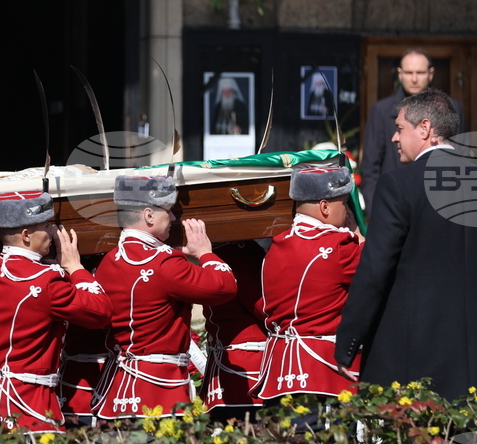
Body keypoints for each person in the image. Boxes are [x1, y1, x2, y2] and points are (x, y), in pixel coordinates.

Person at [335, 88, 477, 402]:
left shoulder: (398, 185)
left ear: (424, 129)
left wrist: (348, 342)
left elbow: (375, 269)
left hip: (413, 369)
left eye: (399, 129)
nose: (394, 138)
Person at [92, 175, 237, 419]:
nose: (173, 218)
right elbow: (224, 286)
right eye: (168, 211)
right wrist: (205, 253)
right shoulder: (164, 263)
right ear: (149, 216)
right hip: (159, 388)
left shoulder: (108, 261)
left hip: (118, 390)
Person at [0, 190, 112, 432]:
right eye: (47, 225)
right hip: (32, 407)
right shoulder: (47, 281)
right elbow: (100, 312)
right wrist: (75, 267)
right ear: (26, 235)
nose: (53, 231)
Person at [254, 167, 364, 407]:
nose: (347, 211)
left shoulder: (276, 245)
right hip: (324, 373)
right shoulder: (340, 246)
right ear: (324, 207)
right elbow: (377, 267)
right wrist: (357, 233)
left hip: (279, 371)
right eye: (344, 203)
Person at [360, 50, 465, 210]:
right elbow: (370, 168)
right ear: (400, 74)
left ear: (431, 74)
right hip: (394, 202)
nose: (414, 79)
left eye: (420, 73)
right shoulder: (381, 110)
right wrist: (377, 210)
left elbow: (460, 157)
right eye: (409, 73)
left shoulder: (452, 108)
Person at [203, 240, 268, 422]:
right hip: (248, 367)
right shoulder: (239, 252)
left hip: (228, 363)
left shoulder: (218, 252)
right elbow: (265, 308)